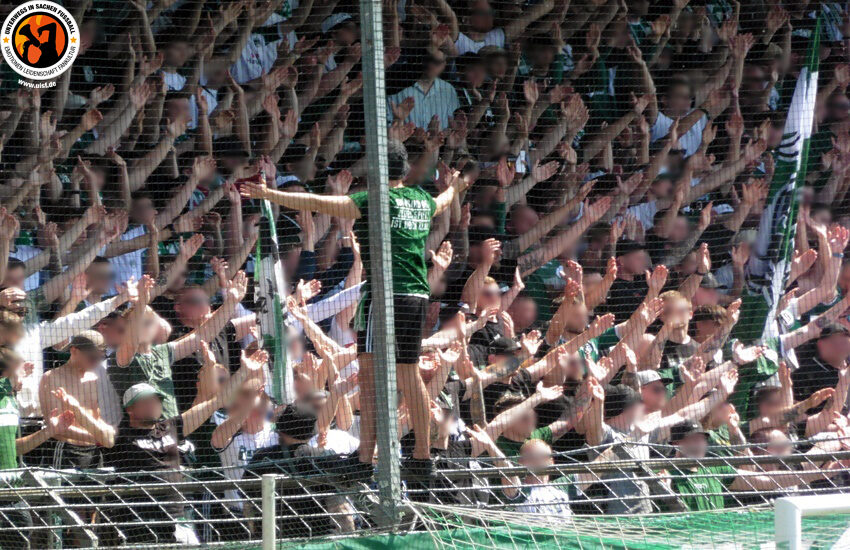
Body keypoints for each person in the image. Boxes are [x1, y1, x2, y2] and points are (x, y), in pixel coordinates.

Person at [241, 141, 471, 476]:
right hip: (416, 297)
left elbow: (318, 201)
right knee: (408, 375)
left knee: (370, 376)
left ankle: (364, 458)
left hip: (384, 297)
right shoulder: (421, 201)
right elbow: (444, 201)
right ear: (405, 170)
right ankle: (423, 455)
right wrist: (457, 186)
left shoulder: (375, 200)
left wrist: (270, 195)